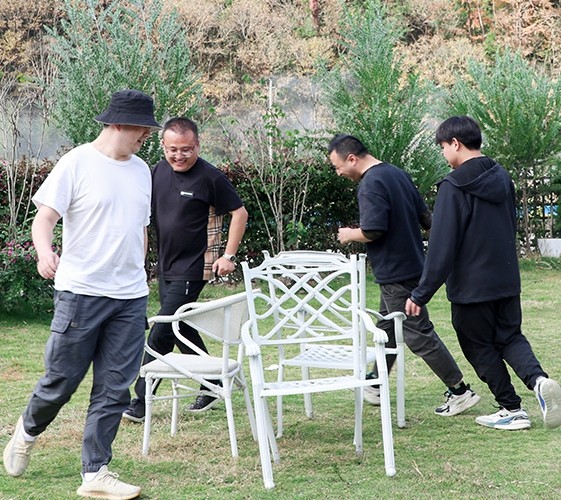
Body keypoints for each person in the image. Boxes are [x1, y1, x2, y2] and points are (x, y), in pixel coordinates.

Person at [2, 89, 160, 499]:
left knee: (115, 387)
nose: (147, 135)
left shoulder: (142, 170)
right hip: (81, 293)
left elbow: (140, 228)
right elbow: (44, 219)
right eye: (142, 128)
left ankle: (95, 473)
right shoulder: (76, 162)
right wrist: (44, 252)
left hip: (130, 297)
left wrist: (140, 273)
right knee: (61, 381)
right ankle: (27, 431)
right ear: (118, 123)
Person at [405, 115, 561, 431]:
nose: (443, 154)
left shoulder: (452, 186)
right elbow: (511, 225)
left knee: (477, 345)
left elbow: (442, 245)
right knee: (510, 337)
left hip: (471, 286)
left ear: (455, 143)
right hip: (506, 279)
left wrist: (421, 293)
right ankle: (539, 381)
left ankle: (512, 408)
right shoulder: (502, 176)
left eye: (442, 147)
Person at [328, 134, 480, 416]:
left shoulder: (370, 184)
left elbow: (374, 229)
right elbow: (427, 219)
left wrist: (349, 234)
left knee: (418, 334)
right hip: (411, 266)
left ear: (352, 159)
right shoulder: (397, 174)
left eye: (338, 167)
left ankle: (460, 391)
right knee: (387, 327)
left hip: (396, 273)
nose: (338, 173)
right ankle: (375, 383)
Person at [122, 117, 248, 423]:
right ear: (163, 146)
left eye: (186, 150)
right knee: (183, 326)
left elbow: (240, 213)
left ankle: (141, 399)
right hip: (166, 264)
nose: (179, 156)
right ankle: (214, 380)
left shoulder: (210, 178)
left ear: (198, 146)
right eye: (173, 149)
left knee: (163, 329)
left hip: (195, 266)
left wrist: (228, 255)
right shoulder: (157, 171)